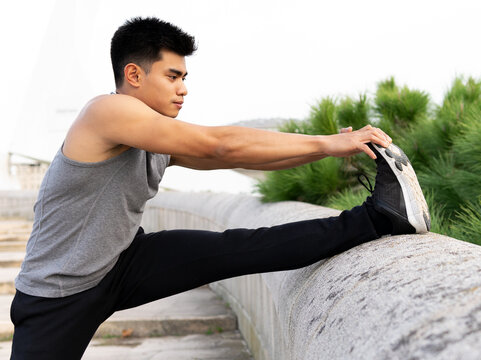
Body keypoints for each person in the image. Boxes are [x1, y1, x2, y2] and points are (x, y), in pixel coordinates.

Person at [10, 17, 430, 359]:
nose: (183, 88)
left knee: (241, 248)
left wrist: (329, 150)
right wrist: (327, 142)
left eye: (185, 76)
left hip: (121, 262)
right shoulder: (107, 111)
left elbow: (230, 157)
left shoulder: (154, 137)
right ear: (133, 74)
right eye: (173, 76)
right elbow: (217, 142)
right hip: (57, 295)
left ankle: (381, 216)